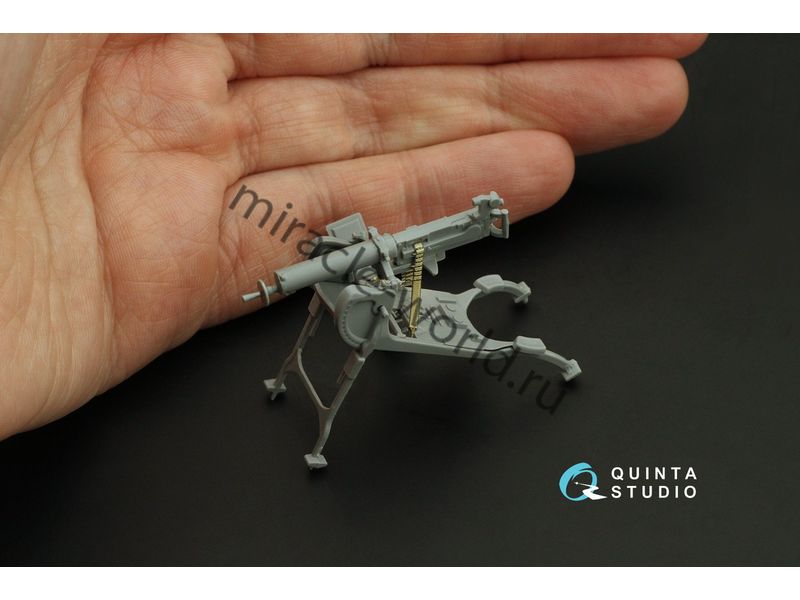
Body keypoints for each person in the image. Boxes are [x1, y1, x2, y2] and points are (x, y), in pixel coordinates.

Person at [0, 33, 706, 439]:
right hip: (378, 294)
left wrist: (419, 257)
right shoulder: (352, 274)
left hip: (387, 302)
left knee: (490, 345)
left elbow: (411, 254)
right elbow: (367, 266)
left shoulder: (386, 272)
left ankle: (544, 355)